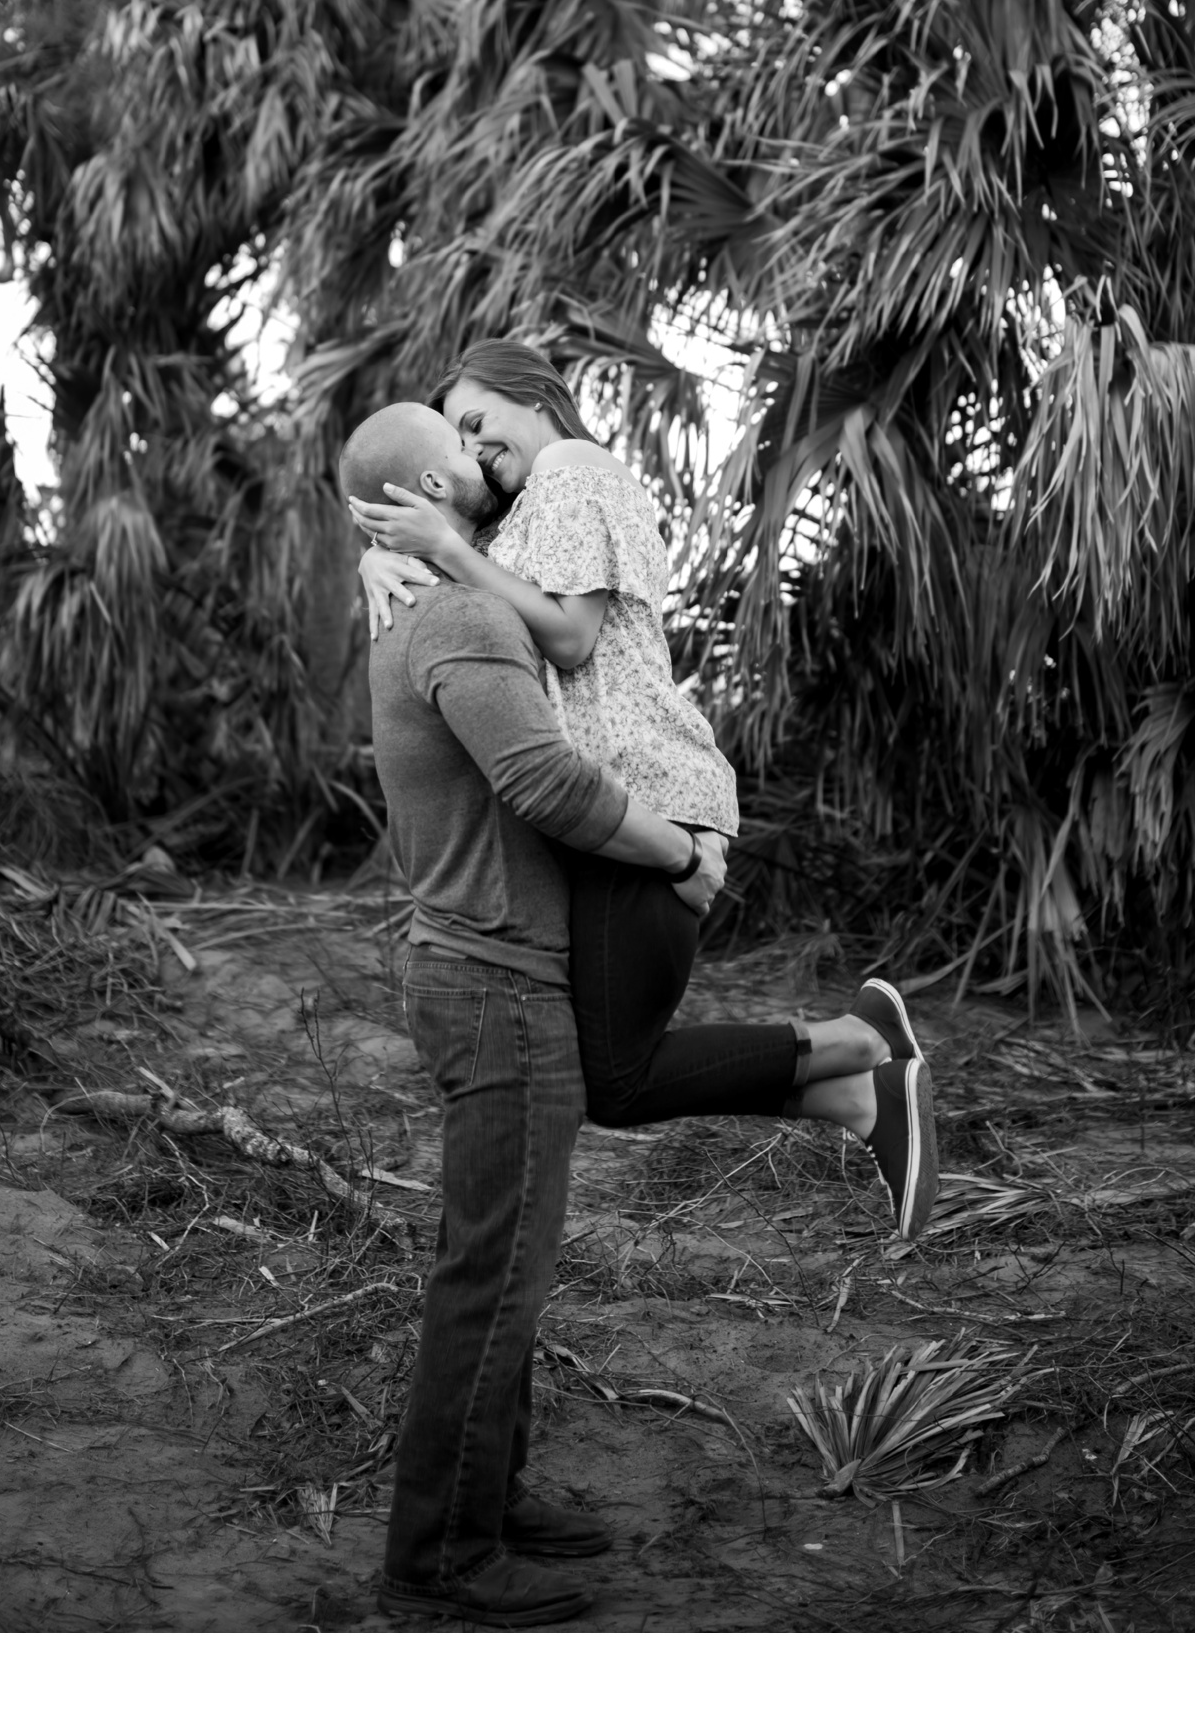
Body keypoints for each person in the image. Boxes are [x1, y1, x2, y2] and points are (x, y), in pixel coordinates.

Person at [341, 399, 936, 1631]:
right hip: (496, 982)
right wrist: (675, 853)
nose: (491, 467)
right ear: (435, 487)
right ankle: (439, 1558)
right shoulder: (457, 612)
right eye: (466, 456)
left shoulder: (425, 604)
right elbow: (543, 778)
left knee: (504, 1268)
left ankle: (488, 1503)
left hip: (490, 973)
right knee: (490, 1279)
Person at [348, 341, 937, 1241]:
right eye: (457, 444)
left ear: (533, 395)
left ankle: (860, 1040)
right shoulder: (519, 516)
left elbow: (572, 638)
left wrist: (441, 547)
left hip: (651, 796)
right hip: (608, 810)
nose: (472, 453)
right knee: (608, 1079)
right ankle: (860, 1099)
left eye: (476, 424)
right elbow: (456, 560)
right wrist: (379, 558)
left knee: (617, 1082)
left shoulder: (573, 470)